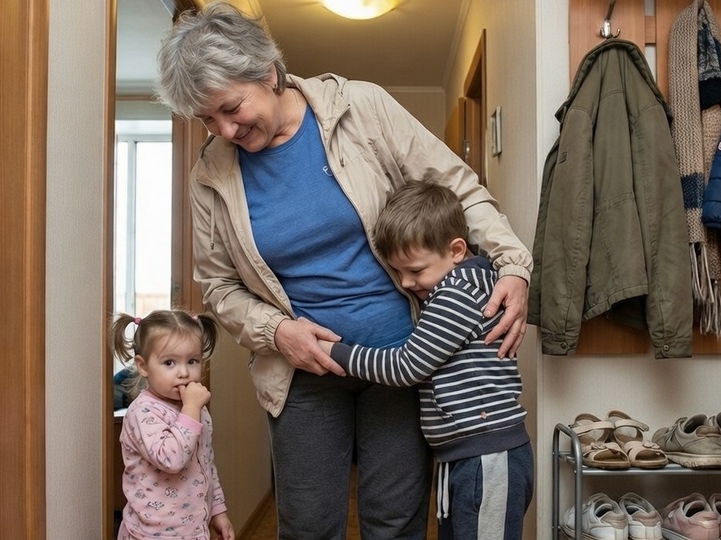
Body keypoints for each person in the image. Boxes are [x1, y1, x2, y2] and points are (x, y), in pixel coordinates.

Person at [154, 2, 533, 538]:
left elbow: (459, 189)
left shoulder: (360, 107)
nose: (225, 129)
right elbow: (218, 286)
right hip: (303, 375)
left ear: (268, 72)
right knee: (307, 525)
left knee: (394, 522)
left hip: (405, 362)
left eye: (231, 108)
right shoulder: (210, 173)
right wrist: (278, 332)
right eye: (206, 120)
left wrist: (514, 265)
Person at [317, 181, 533, 540]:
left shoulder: (458, 294)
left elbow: (406, 366)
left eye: (415, 271)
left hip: (487, 456)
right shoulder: (451, 287)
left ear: (456, 250)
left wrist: (332, 351)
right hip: (465, 453)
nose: (406, 282)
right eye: (398, 272)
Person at [110, 310, 235, 540]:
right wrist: (191, 410)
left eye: (192, 361)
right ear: (143, 365)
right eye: (169, 362)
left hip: (193, 529)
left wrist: (219, 510)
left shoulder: (197, 410)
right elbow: (171, 458)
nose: (184, 373)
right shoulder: (143, 412)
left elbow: (206, 463)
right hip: (151, 534)